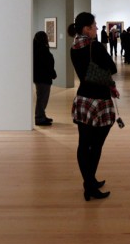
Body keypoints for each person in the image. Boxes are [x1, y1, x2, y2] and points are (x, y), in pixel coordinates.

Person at [68, 12, 118, 201]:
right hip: (99, 100)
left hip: (83, 100)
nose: (97, 28)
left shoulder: (74, 47)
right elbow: (112, 68)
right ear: (86, 28)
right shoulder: (94, 46)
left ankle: (89, 181)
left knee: (83, 144)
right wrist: (110, 83)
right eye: (94, 25)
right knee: (96, 145)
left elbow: (87, 72)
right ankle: (89, 185)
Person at [33, 31, 57, 126]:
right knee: (42, 98)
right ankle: (39, 118)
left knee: (42, 98)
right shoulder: (42, 50)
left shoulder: (37, 49)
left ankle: (42, 115)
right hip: (43, 78)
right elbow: (47, 64)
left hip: (40, 77)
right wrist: (53, 73)